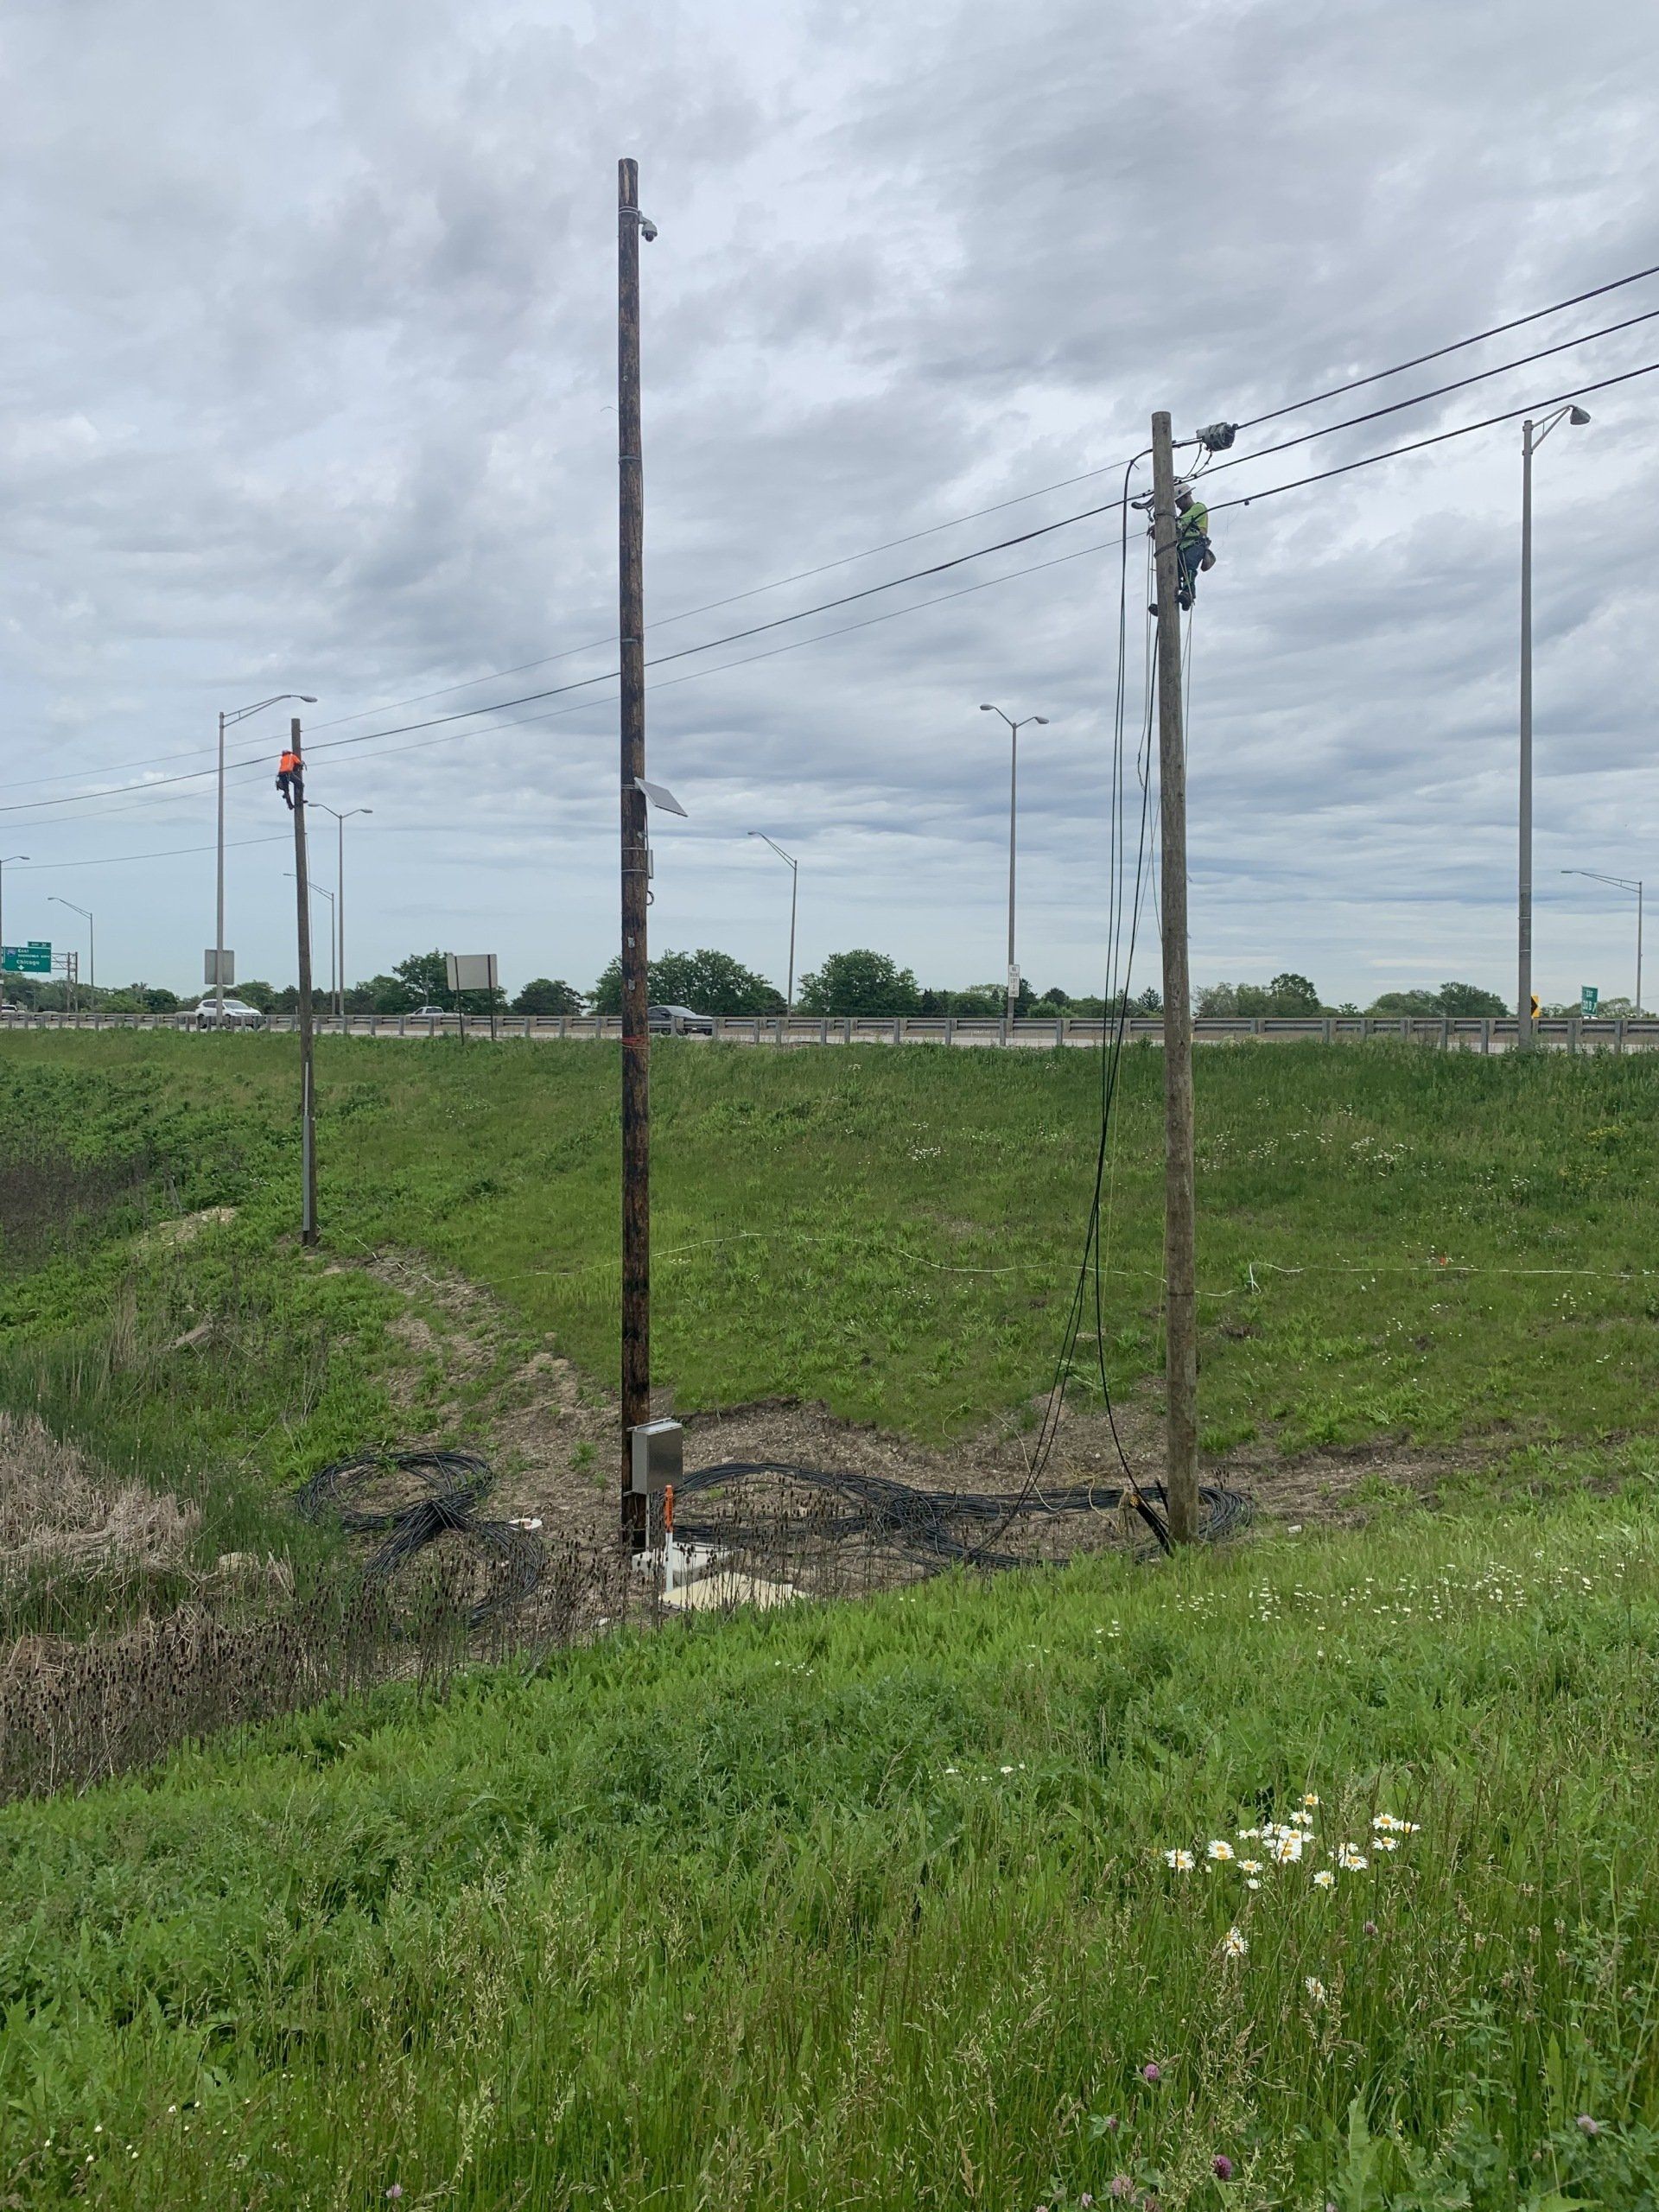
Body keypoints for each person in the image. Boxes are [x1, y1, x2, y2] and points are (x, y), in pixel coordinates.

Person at [1175, 485, 1215, 610]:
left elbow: (1182, 520)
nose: (1177, 505)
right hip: (1181, 548)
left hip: (1196, 544)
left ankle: (1188, 593)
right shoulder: (1182, 514)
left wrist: (1161, 523)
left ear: (1186, 496)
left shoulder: (1198, 507)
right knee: (1171, 572)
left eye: (1178, 501)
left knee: (1189, 564)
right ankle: (1167, 603)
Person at [276, 746, 302, 810]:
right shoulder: (292, 756)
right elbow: (299, 763)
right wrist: (300, 766)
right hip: (288, 773)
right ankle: (300, 800)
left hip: (281, 774)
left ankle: (290, 805)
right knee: (300, 785)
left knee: (286, 790)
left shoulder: (282, 759)